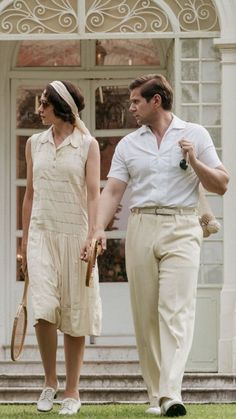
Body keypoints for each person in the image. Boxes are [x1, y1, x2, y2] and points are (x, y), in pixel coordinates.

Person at [93, 74, 229, 417]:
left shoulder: (194, 134)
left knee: (176, 310)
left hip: (182, 225)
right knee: (146, 315)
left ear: (156, 101)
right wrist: (97, 230)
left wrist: (195, 161)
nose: (131, 107)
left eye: (136, 101)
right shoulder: (128, 144)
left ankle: (171, 392)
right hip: (141, 225)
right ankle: (157, 394)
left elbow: (223, 183)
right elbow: (112, 192)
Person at [21, 80, 102, 415]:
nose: (39, 110)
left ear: (60, 106)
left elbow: (94, 194)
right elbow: (29, 195)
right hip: (41, 235)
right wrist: (24, 244)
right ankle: (49, 383)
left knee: (75, 312)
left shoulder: (88, 145)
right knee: (42, 308)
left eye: (44, 104)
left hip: (75, 236)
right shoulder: (33, 144)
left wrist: (93, 237)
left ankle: (72, 390)